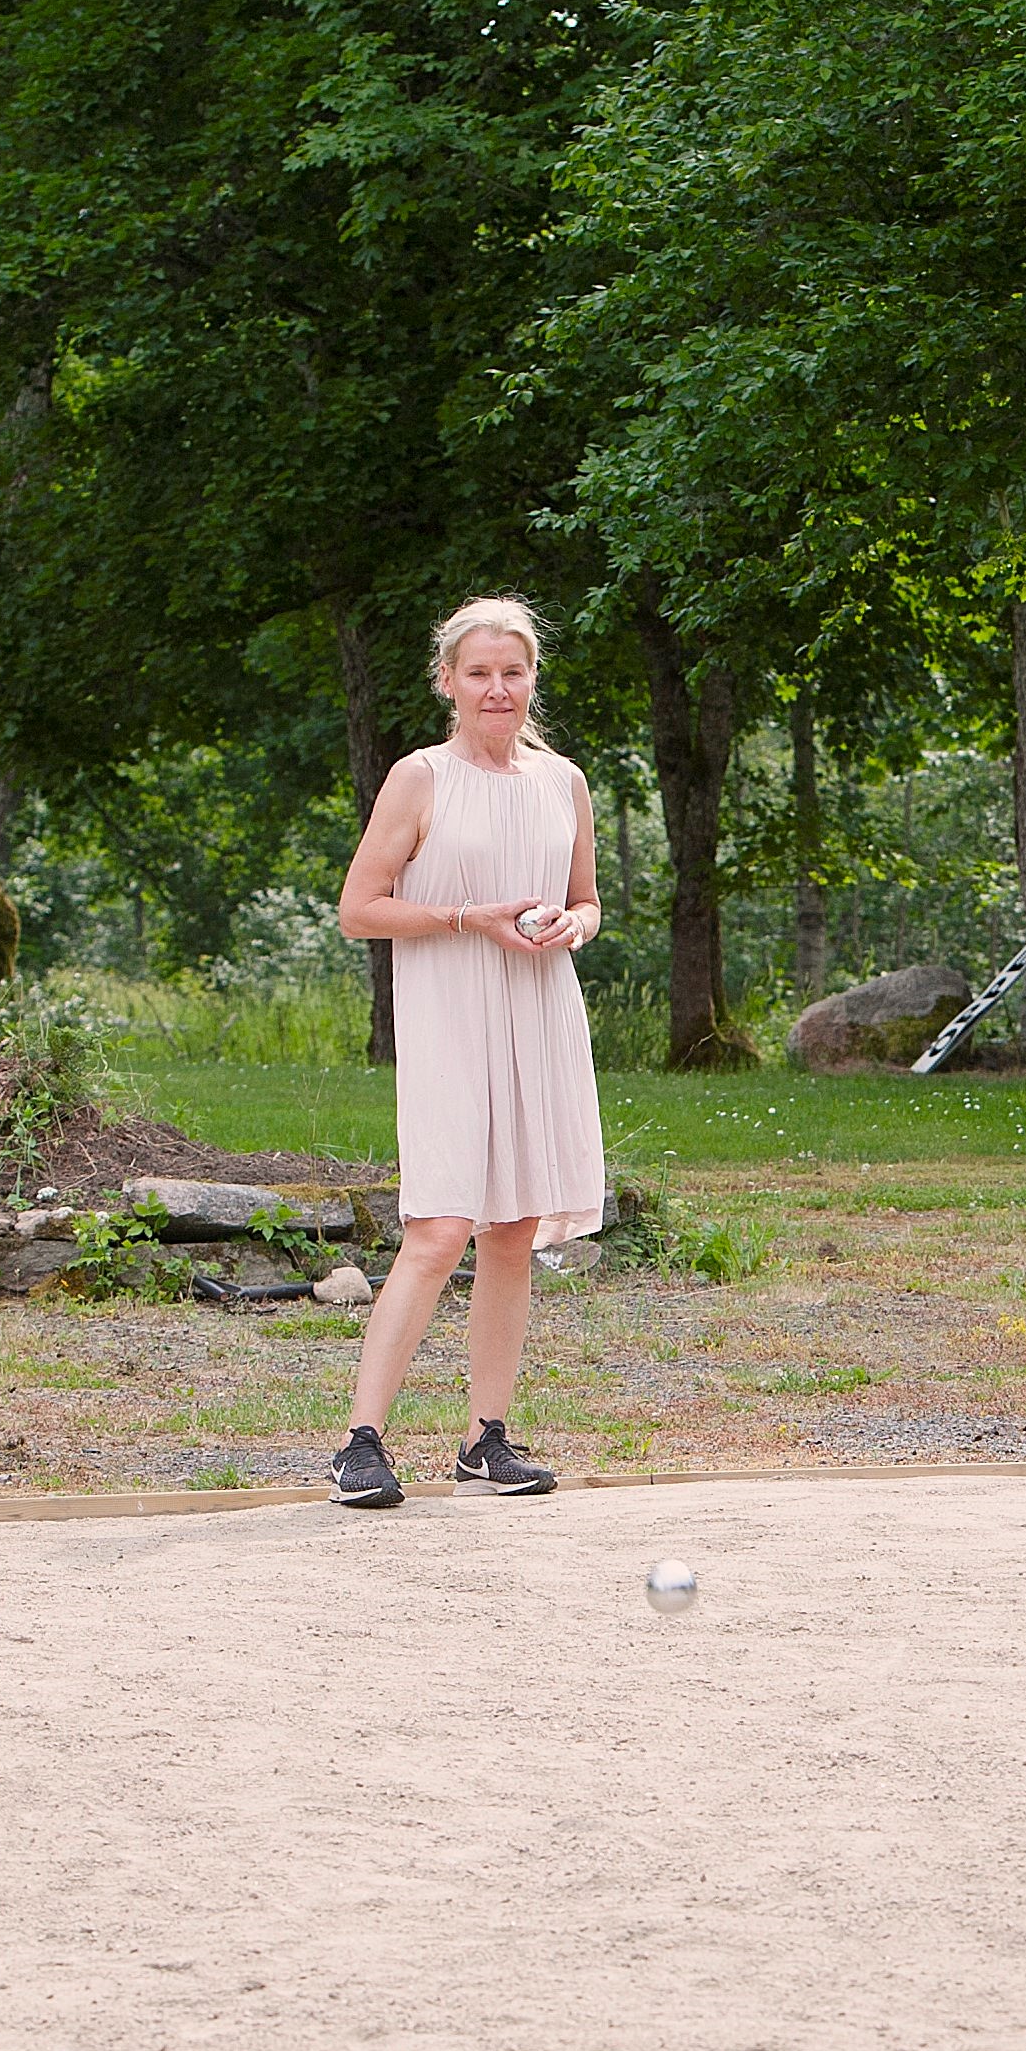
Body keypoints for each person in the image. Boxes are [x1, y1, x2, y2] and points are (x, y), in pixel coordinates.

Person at [325, 597, 608, 1509]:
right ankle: (360, 1443)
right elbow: (358, 909)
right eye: (478, 673)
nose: (498, 689)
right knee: (441, 1227)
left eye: (513, 672)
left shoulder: (564, 780)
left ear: (533, 681)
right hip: (451, 1012)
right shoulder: (420, 778)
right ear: (447, 680)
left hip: (540, 1012)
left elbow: (589, 900)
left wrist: (576, 924)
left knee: (514, 1230)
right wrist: (464, 918)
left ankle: (487, 1438)